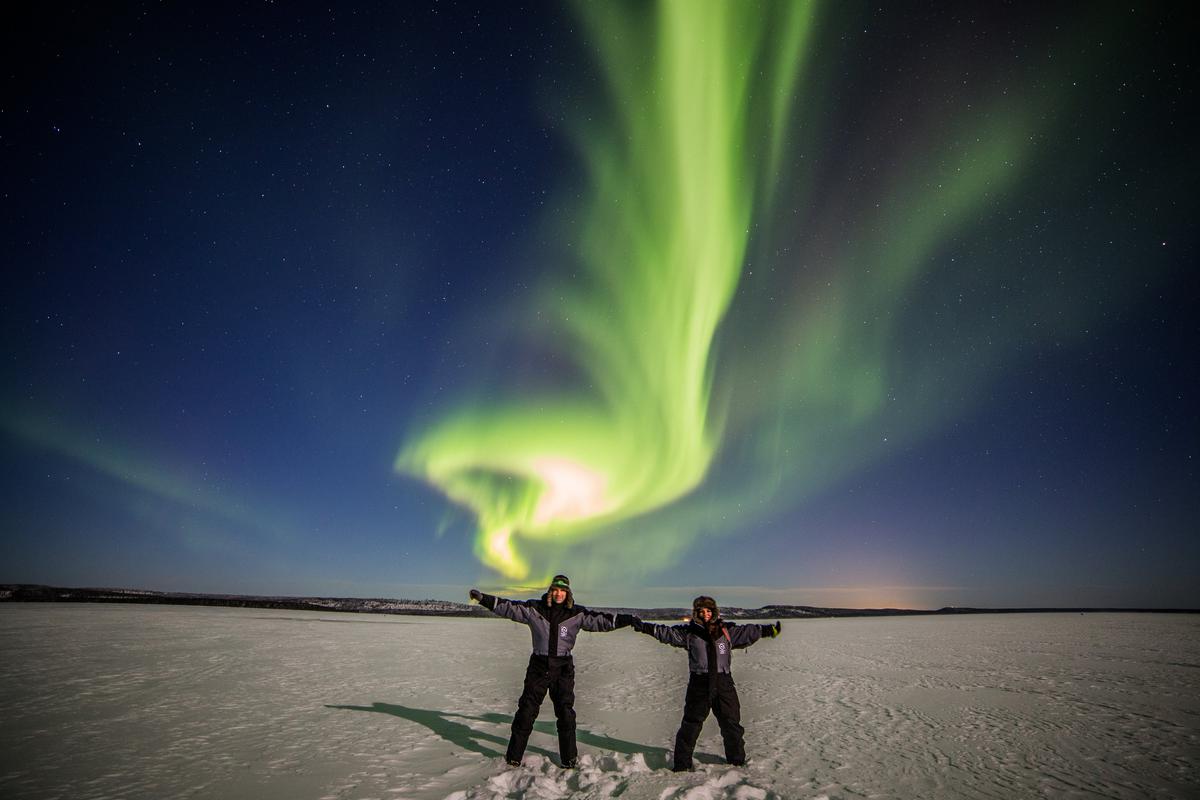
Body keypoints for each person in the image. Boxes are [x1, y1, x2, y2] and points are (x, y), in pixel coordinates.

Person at [469, 575, 635, 768]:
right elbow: (509, 607)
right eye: (555, 590)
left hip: (563, 668)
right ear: (550, 591)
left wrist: (627, 620)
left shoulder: (576, 613)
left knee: (565, 714)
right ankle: (513, 757)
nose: (558, 594)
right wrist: (483, 599)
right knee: (526, 712)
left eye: (563, 590)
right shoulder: (535, 609)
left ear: (568, 593)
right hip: (539, 666)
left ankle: (569, 759)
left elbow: (601, 621)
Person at [633, 595, 781, 772]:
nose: (705, 614)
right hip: (699, 684)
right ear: (696, 613)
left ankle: (737, 762)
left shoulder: (726, 631)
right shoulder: (688, 633)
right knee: (691, 725)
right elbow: (665, 633)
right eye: (701, 611)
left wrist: (769, 630)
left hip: (723, 683)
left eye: (708, 611)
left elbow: (748, 631)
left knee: (731, 724)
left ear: (714, 612)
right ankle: (681, 766)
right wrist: (643, 626)